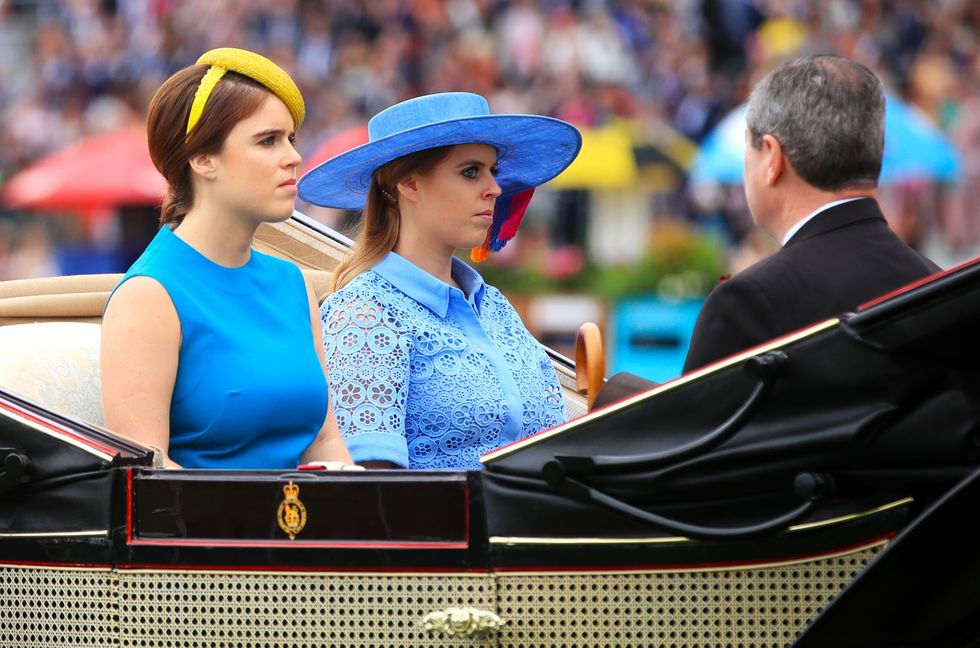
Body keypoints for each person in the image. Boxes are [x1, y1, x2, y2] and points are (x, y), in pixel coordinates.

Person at [298, 92, 582, 470]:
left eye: (492, 171)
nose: (495, 189)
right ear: (408, 184)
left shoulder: (493, 304)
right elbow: (369, 490)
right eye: (470, 171)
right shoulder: (364, 314)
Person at [101, 48, 352, 469]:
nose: (293, 156)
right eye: (268, 140)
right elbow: (146, 473)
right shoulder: (148, 295)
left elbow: (324, 441)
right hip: (211, 531)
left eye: (291, 139)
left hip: (306, 527)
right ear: (202, 159)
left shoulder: (293, 283)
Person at [683, 54, 941, 373]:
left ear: (772, 158)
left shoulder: (748, 302)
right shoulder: (938, 288)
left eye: (748, 149)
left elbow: (696, 422)